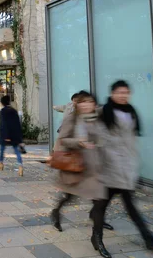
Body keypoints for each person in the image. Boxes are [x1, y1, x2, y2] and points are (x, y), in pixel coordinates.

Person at [91, 81, 153, 257]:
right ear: (113, 93)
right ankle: (97, 239)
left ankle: (148, 238)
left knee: (130, 206)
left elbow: (131, 143)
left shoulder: (131, 111)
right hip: (108, 169)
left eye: (126, 92)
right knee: (101, 207)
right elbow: (100, 141)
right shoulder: (104, 112)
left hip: (125, 169)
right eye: (119, 92)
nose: (123, 95)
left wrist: (133, 167)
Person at [50, 91, 109, 252]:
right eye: (82, 102)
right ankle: (56, 212)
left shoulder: (97, 119)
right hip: (76, 167)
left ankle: (97, 238)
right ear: (77, 104)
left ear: (94, 104)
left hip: (94, 168)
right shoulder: (72, 119)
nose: (85, 105)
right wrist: (79, 143)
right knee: (69, 197)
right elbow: (63, 139)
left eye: (89, 102)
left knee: (99, 202)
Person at [0, 95, 24, 177]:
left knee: (2, 149)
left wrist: (6, 136)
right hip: (15, 134)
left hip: (6, 134)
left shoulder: (3, 111)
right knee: (17, 151)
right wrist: (20, 136)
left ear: (2, 103)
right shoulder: (14, 111)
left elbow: (4, 124)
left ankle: (0, 164)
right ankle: (20, 166)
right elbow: (18, 124)